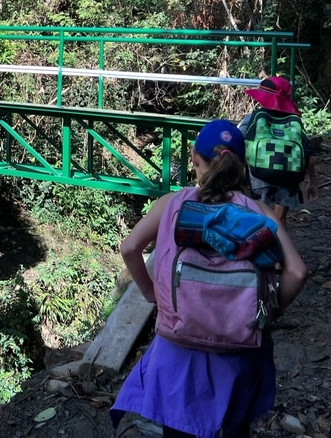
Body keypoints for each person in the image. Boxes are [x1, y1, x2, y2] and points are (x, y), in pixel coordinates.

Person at [111, 119, 308, 438]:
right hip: (239, 353)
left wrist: (152, 295)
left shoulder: (171, 203)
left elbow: (130, 247)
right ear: (242, 167)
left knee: (178, 429)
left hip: (177, 350)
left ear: (194, 158)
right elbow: (298, 272)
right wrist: (265, 314)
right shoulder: (259, 212)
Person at [238, 75, 318, 233]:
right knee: (280, 219)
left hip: (259, 175)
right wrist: (312, 183)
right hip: (289, 176)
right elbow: (307, 155)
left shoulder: (253, 118)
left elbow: (238, 143)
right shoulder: (294, 122)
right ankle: (282, 254)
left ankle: (260, 251)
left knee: (259, 216)